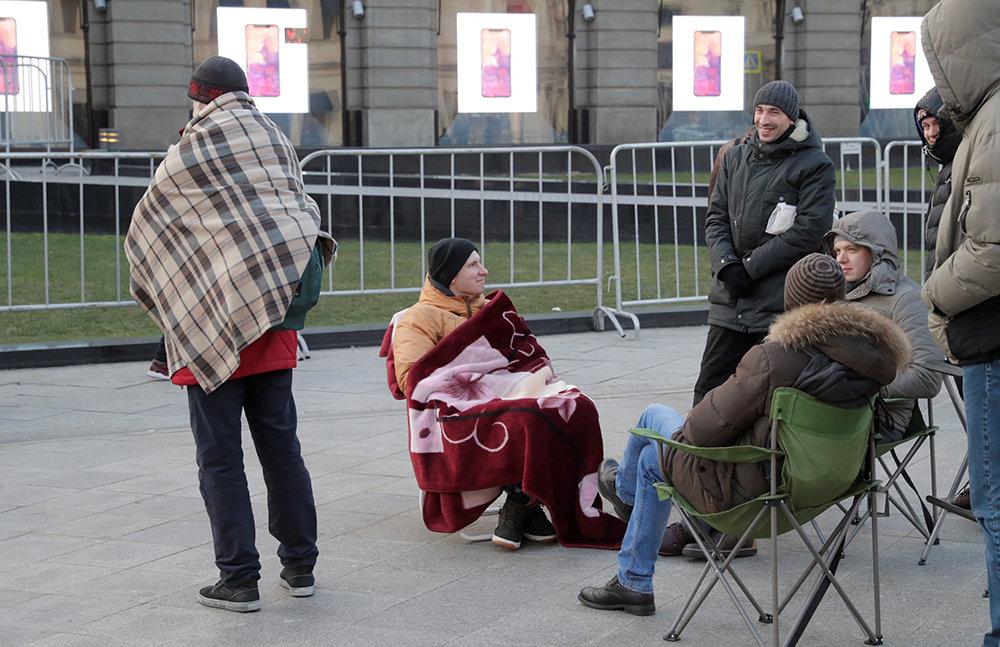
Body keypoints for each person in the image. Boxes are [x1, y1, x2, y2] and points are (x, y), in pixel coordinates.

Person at [579, 254, 911, 615]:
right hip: (825, 490)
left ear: (791, 302)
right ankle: (630, 550)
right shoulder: (874, 362)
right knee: (654, 448)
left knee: (651, 439)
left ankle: (631, 551)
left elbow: (698, 434)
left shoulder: (774, 358)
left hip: (755, 497)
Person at [126, 56, 335, 613]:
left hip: (211, 324)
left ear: (200, 97)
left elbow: (151, 229)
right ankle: (301, 566)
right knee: (281, 448)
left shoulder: (190, 151)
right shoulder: (273, 139)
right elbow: (297, 214)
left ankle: (239, 579)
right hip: (273, 325)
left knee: (220, 458)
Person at [392, 237, 558, 550]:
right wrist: (477, 375)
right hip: (456, 406)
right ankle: (524, 505)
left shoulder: (493, 311)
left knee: (569, 407)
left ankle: (522, 503)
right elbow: (411, 379)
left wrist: (529, 374)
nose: (484, 271)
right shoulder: (419, 317)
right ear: (451, 275)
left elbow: (528, 353)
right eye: (473, 265)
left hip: (508, 392)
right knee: (524, 417)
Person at [920, 3, 1000, 644]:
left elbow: (992, 249)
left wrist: (934, 295)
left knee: (995, 505)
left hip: (991, 336)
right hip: (986, 334)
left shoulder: (995, 121)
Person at [697, 80, 836, 407]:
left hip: (778, 306)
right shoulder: (733, 159)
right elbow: (715, 218)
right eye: (759, 110)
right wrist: (726, 266)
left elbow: (808, 231)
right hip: (729, 302)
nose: (764, 119)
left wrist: (749, 268)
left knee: (763, 399)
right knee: (709, 395)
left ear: (792, 118)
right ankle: (698, 459)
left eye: (774, 112)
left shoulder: (815, 165)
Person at [823, 210, 943, 442]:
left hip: (880, 415)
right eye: (837, 251)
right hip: (830, 405)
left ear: (877, 251)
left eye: (852, 250)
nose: (841, 259)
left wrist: (860, 386)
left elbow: (927, 377)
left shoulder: (907, 298)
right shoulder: (835, 290)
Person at [914, 87, 962, 282]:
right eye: (925, 126)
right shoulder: (948, 167)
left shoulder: (963, 163)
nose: (931, 133)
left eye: (937, 124)